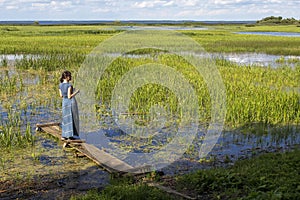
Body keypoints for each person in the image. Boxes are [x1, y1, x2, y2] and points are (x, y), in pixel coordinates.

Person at [59, 70, 80, 140]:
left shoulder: (60, 85)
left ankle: (64, 135)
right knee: (71, 118)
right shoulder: (69, 85)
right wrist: (76, 92)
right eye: (70, 76)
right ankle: (70, 135)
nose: (70, 77)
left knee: (65, 118)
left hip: (64, 102)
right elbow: (69, 96)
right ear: (67, 77)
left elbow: (61, 95)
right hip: (69, 103)